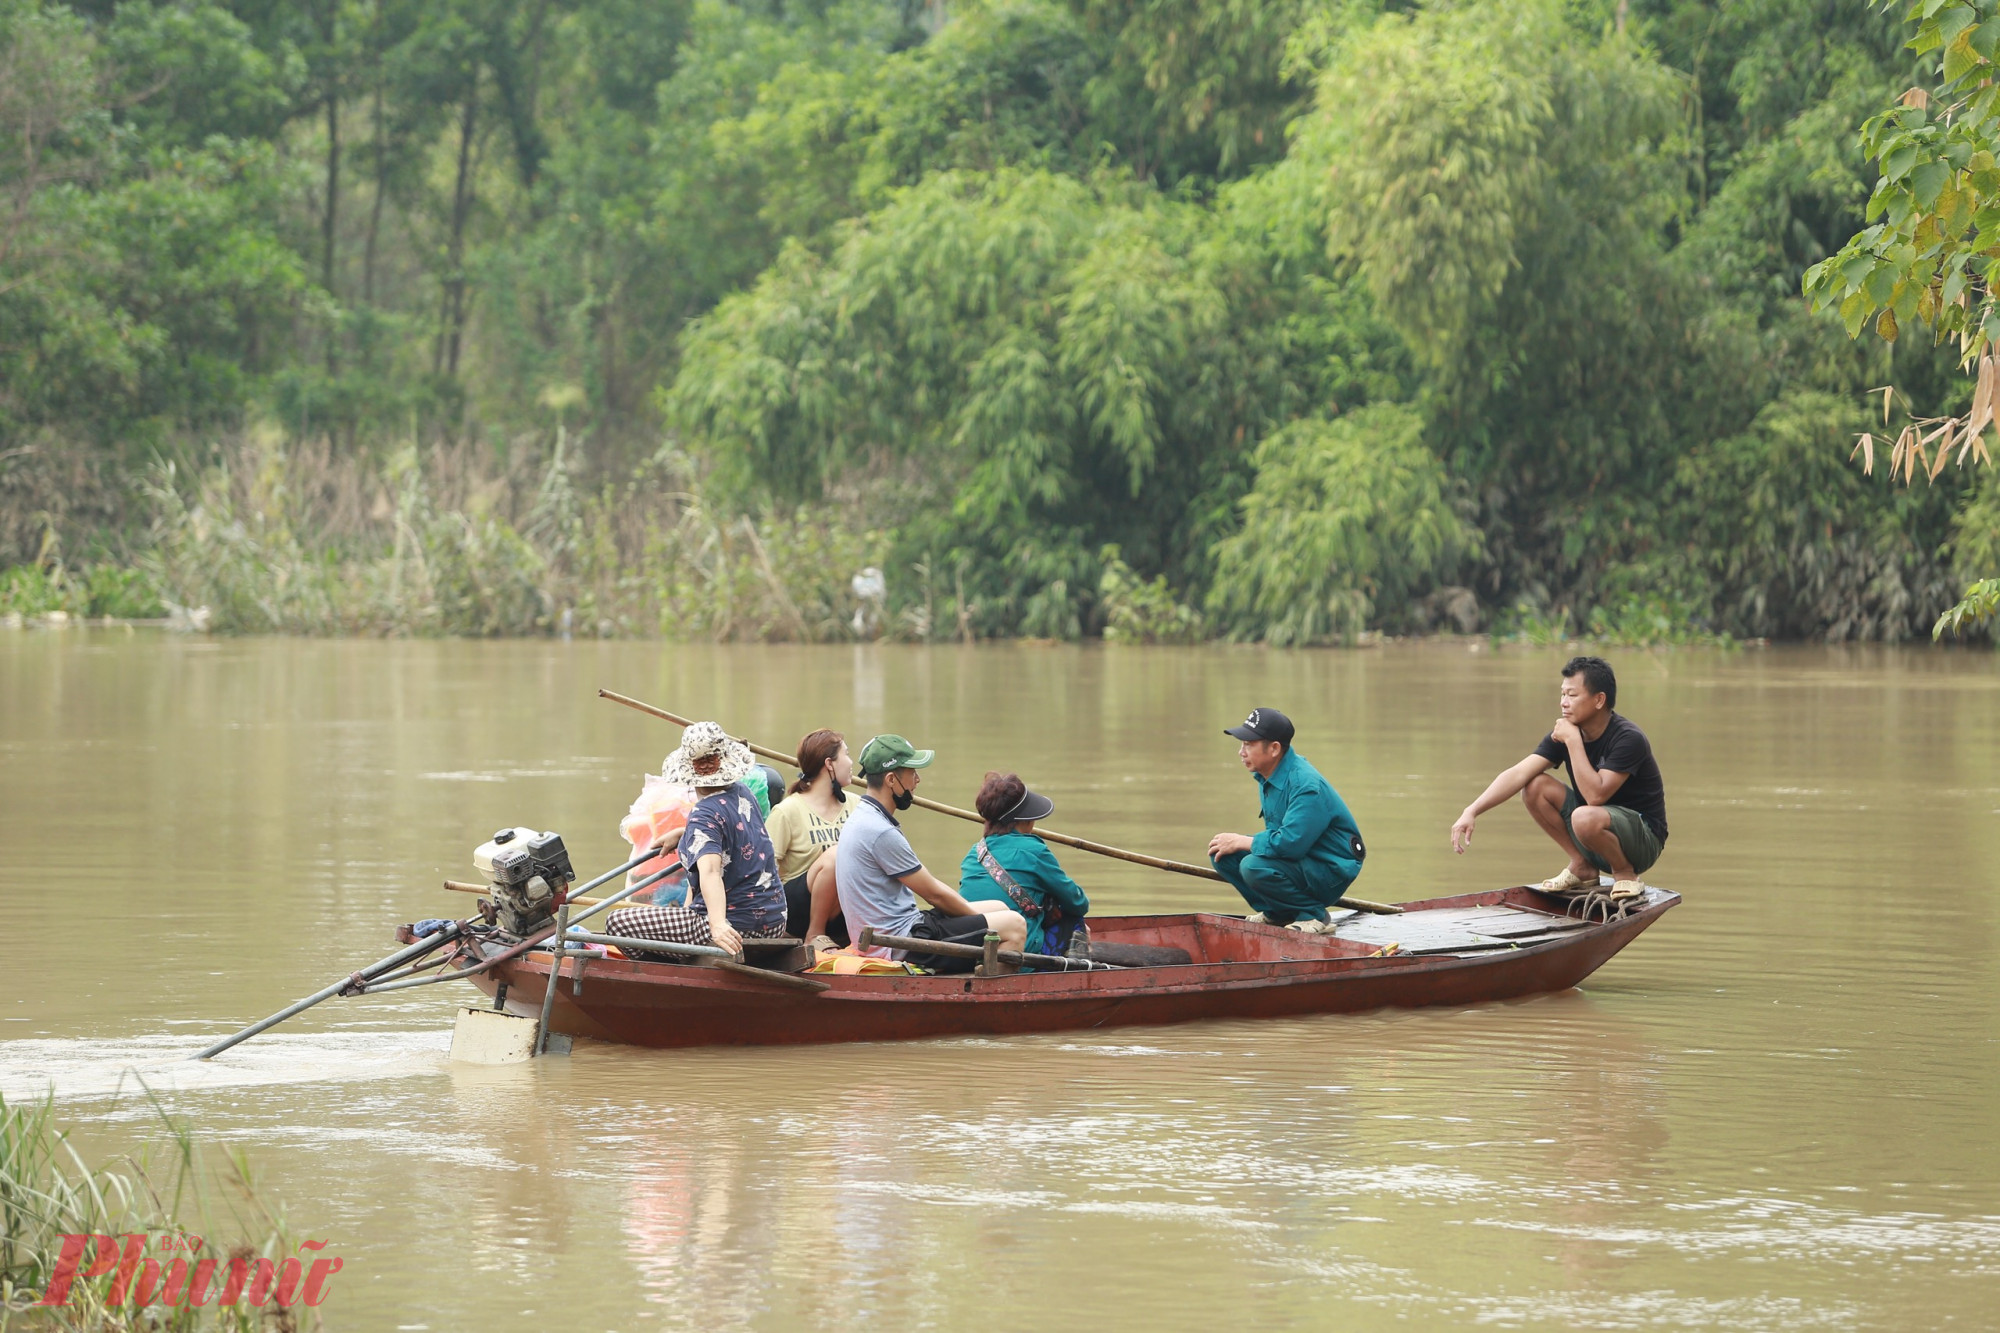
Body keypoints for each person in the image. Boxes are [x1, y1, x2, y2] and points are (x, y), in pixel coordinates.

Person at [1449, 655, 1666, 900]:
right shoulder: (1567, 732)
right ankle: (1582, 865)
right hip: (1592, 827)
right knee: (1534, 786)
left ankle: (1625, 874)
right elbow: (1519, 772)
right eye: (1562, 694)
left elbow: (1595, 796)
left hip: (1643, 839)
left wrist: (1573, 742)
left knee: (1584, 816)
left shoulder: (1628, 738)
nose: (1564, 703)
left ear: (1599, 700)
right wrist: (1472, 810)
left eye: (1572, 695)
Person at [834, 734, 1026, 973]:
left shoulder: (864, 815)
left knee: (1000, 907)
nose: (918, 780)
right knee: (1015, 926)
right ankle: (985, 995)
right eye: (912, 773)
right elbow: (935, 894)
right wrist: (973, 919)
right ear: (891, 779)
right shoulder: (879, 831)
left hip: (901, 927)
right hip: (897, 943)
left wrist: (974, 919)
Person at [606, 721, 789, 955]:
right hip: (774, 921)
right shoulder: (743, 793)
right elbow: (734, 834)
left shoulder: (703, 814)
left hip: (737, 926)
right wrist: (685, 834)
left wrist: (718, 924)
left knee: (617, 923)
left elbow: (711, 871)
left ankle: (670, 975)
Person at [1206, 707, 1366, 933]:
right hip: (1302, 859)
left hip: (1329, 869)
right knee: (1222, 854)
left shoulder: (1306, 785)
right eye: (1241, 744)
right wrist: (1237, 844)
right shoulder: (1268, 774)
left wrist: (1243, 841)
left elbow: (1290, 844)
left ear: (1274, 749)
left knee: (1253, 865)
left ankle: (1314, 915)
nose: (1241, 752)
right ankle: (1277, 913)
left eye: (1249, 745)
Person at [957, 773, 1090, 957]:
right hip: (1019, 949)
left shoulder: (975, 852)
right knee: (1076, 922)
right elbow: (1078, 903)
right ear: (1026, 819)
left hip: (970, 948)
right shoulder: (1034, 850)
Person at [766, 728, 852, 948]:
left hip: (846, 908)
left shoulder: (857, 805)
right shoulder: (787, 811)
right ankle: (815, 935)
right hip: (796, 912)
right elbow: (766, 873)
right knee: (834, 856)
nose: (851, 763)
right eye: (846, 754)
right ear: (829, 764)